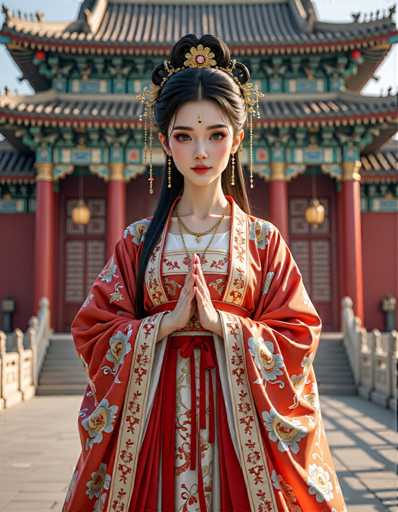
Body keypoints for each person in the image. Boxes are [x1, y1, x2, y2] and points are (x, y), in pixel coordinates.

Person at [62, 34, 347, 512]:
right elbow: (92, 330)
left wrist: (225, 327)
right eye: (184, 136)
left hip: (240, 427)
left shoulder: (263, 240)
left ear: (237, 139)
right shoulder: (137, 241)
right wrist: (161, 327)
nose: (201, 150)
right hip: (153, 418)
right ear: (163, 143)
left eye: (216, 134)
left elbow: (299, 335)